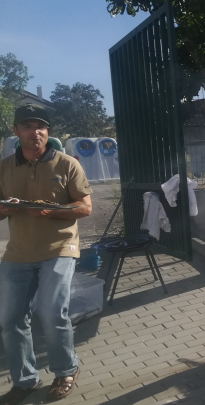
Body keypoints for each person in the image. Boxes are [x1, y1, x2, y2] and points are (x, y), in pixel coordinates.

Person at [0, 104, 93, 404]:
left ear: (48, 131)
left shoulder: (67, 164)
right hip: (17, 253)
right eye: (27, 126)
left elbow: (85, 207)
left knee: (52, 313)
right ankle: (25, 380)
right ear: (16, 131)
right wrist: (6, 208)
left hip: (59, 249)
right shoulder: (4, 168)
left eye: (40, 127)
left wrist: (52, 210)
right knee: (11, 320)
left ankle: (66, 370)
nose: (34, 132)